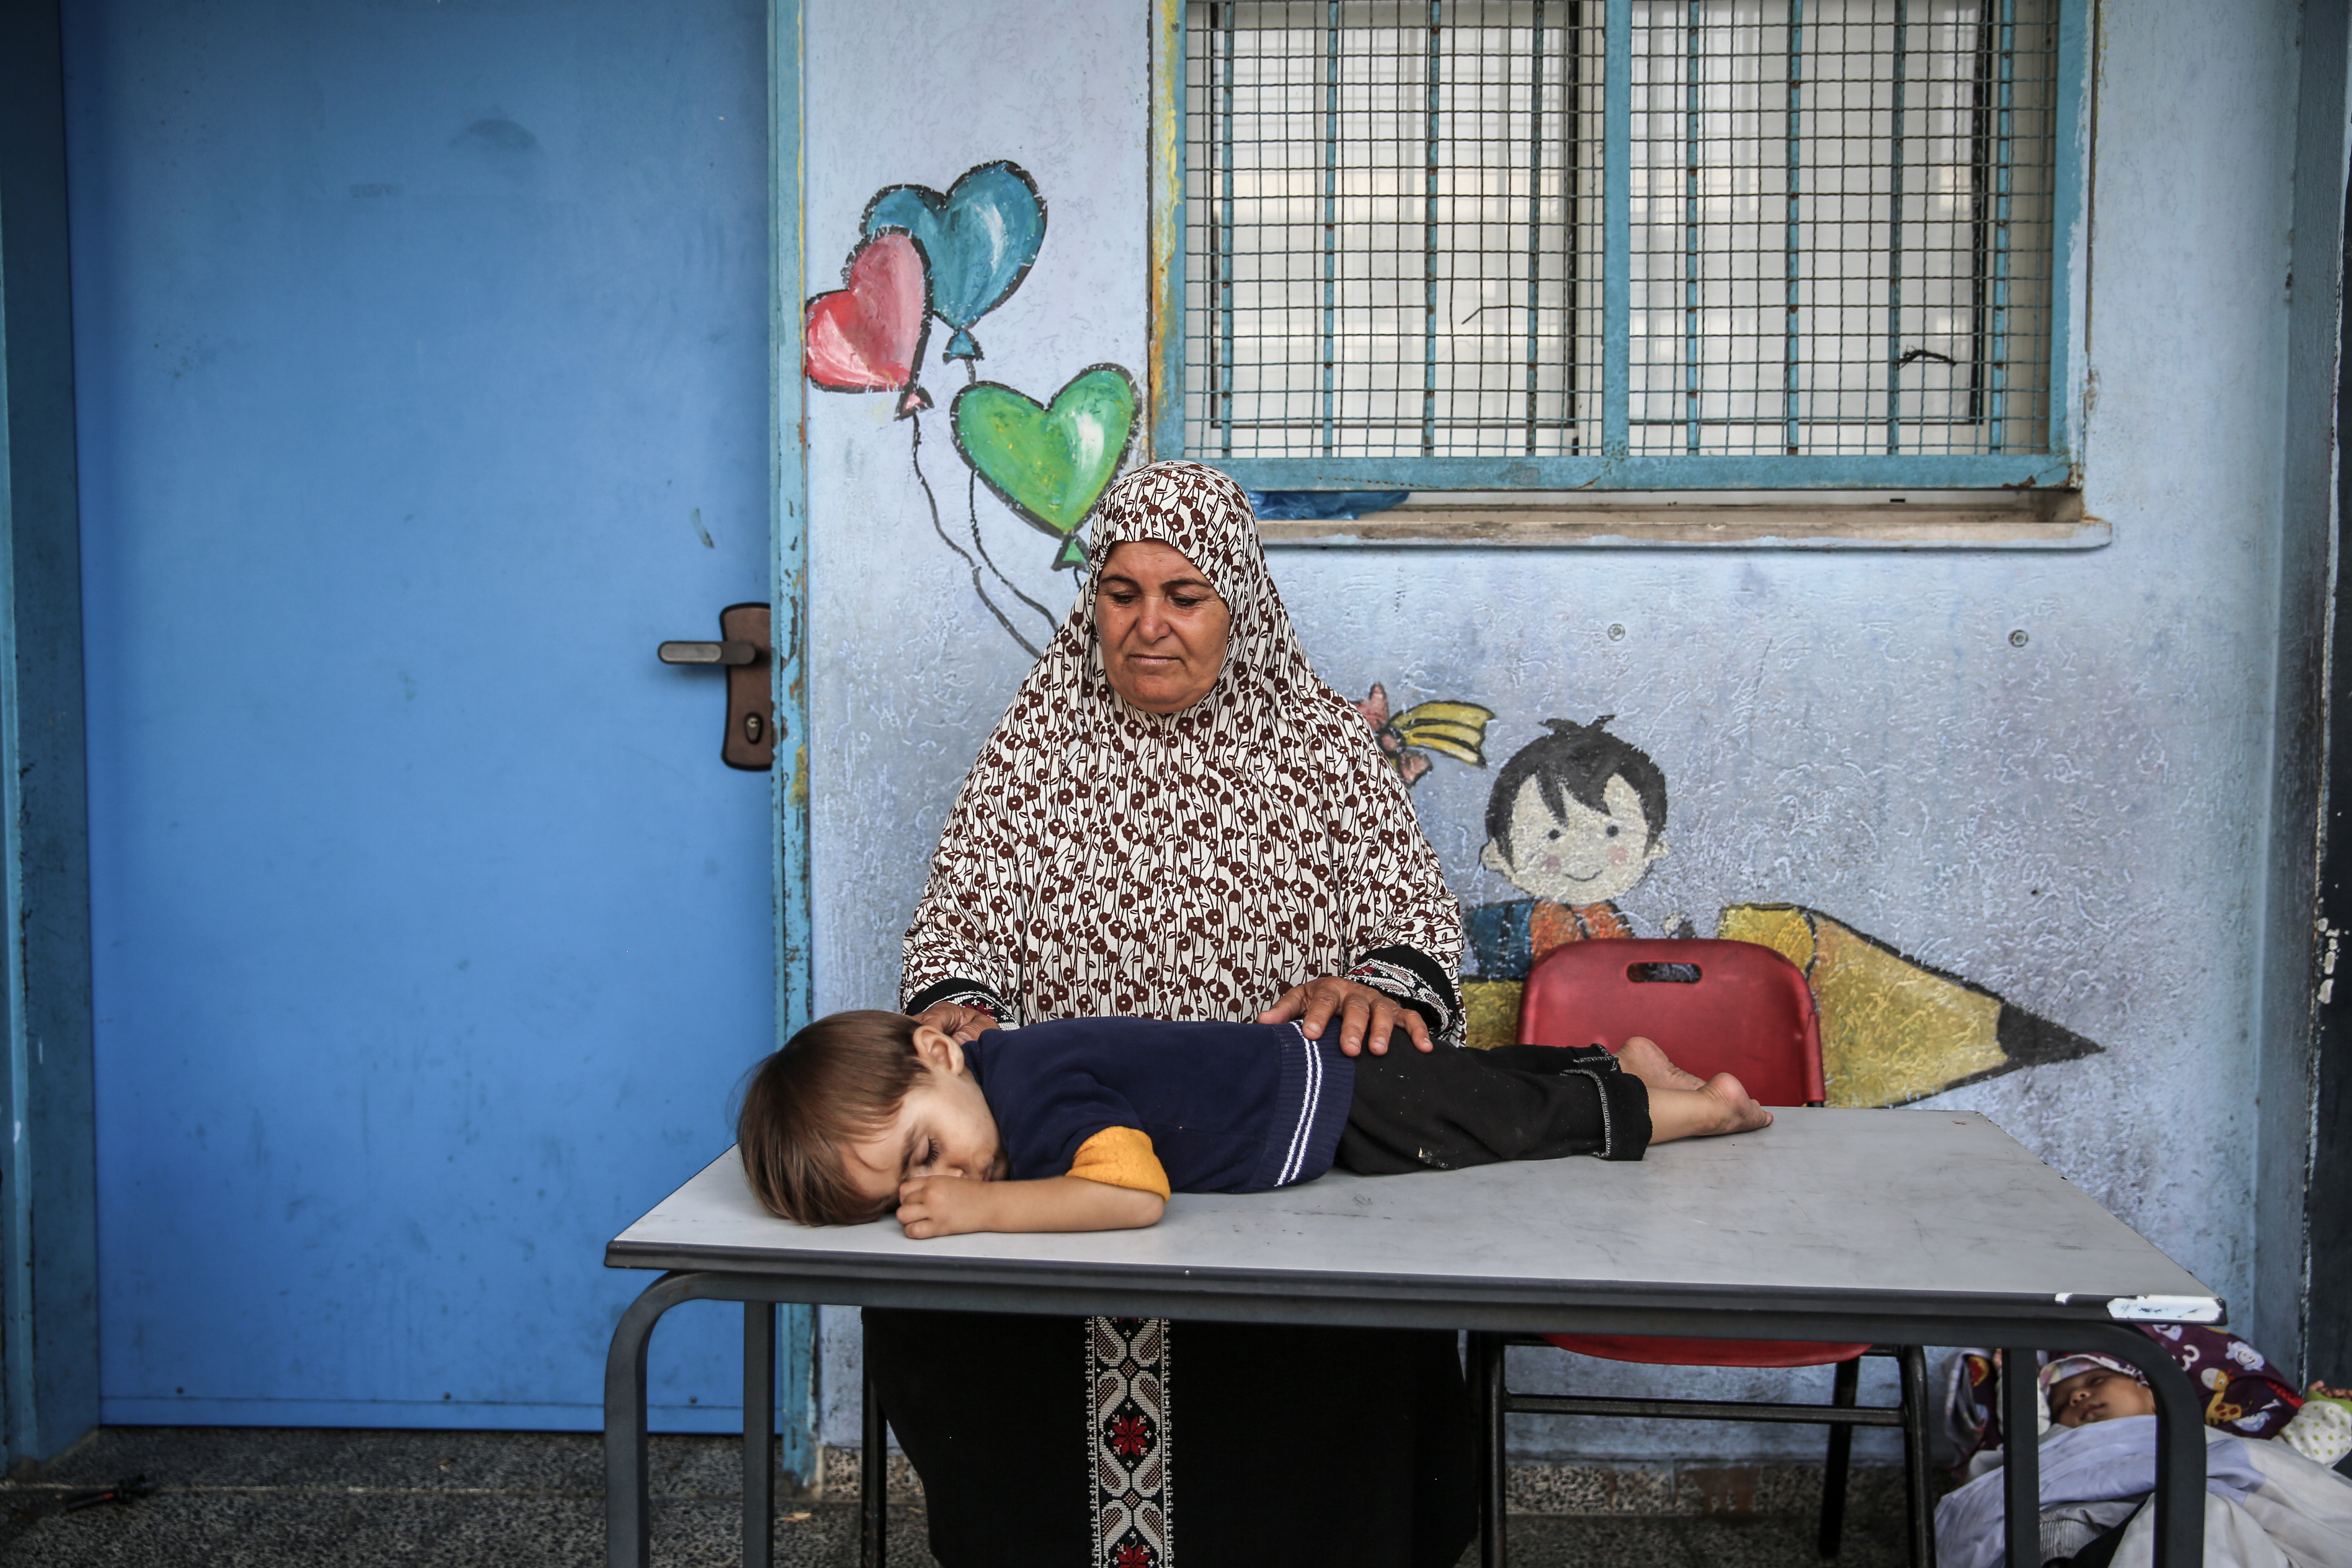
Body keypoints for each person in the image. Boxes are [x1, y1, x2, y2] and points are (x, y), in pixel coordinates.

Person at [871, 460, 1479, 1568]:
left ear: (1237, 604)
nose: (1148, 626)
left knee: (1354, 1358)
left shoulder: (1330, 752)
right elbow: (954, 925)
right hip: (1062, 1170)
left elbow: (1424, 936)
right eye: (1121, 593)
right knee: (932, 1315)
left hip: (1284, 1173)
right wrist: (959, 1008)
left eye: (1184, 596)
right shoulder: (1031, 753)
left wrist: (1371, 991)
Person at [735, 1010, 1771, 1232]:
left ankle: (1698, 1109)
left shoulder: (1033, 1090)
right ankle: (1619, 1059)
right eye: (904, 1195)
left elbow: (1131, 1194)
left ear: (937, 1050)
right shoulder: (995, 1075)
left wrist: (982, 1210)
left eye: (924, 1156)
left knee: (1512, 1120)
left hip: (1329, 1107)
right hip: (1308, 1089)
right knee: (1485, 1083)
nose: (936, 1180)